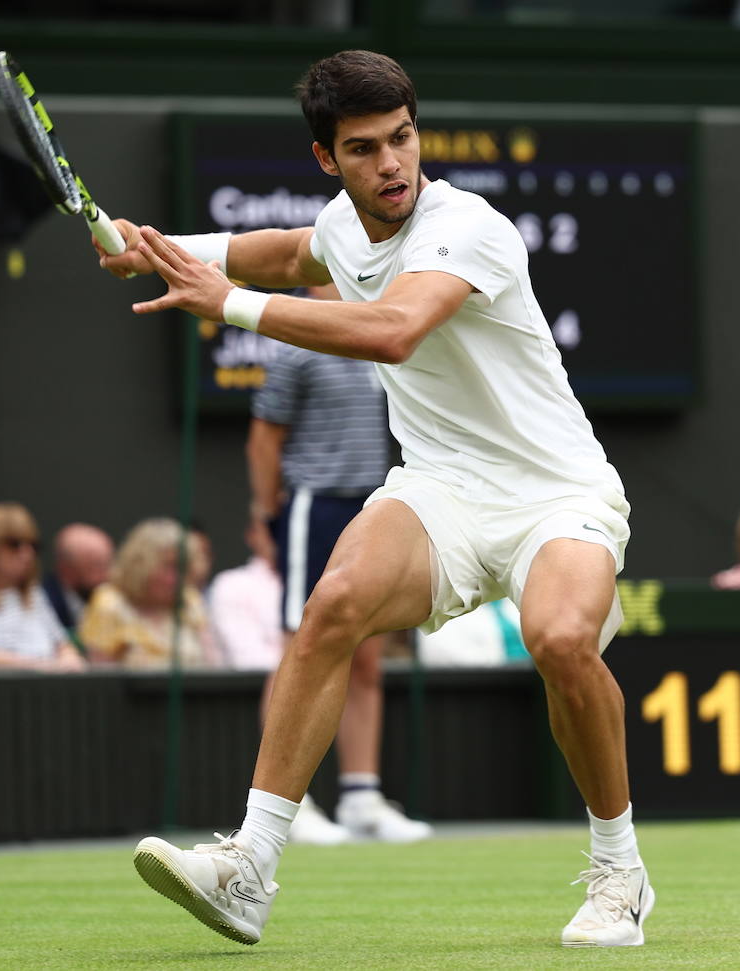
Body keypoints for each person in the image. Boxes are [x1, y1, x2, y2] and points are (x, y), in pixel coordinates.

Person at [101, 50, 649, 948]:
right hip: (440, 487)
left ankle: (619, 871)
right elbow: (279, 251)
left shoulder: (466, 224)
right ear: (328, 159)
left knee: (559, 640)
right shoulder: (338, 226)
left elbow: (393, 330)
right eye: (364, 149)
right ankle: (250, 867)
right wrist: (152, 249)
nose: (392, 163)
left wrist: (227, 304)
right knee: (333, 604)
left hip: (556, 492)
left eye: (402, 138)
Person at [247, 285, 430, 846]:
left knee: (368, 659)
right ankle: (287, 804)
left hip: (371, 506)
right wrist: (265, 515)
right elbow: (265, 437)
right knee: (299, 649)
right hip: (312, 504)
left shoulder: (378, 339)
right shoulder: (295, 346)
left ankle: (360, 797)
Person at [0, 502, 85, 671]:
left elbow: (62, 644)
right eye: (14, 544)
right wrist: (41, 666)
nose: (27, 554)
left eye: (32, 545)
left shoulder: (33, 593)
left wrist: (70, 659)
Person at [79, 517, 218, 669]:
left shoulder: (189, 600)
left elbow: (213, 663)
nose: (175, 578)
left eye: (183, 567)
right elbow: (100, 676)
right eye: (168, 567)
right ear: (140, 564)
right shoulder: (110, 602)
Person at [207, 517, 285, 672]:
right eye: (272, 527)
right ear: (251, 535)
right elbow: (249, 659)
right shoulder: (231, 584)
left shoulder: (323, 580)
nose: (281, 534)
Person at [41, 522, 115, 632]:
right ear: (67, 569)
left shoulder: (113, 604)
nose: (107, 575)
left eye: (108, 565)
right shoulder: (42, 604)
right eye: (97, 566)